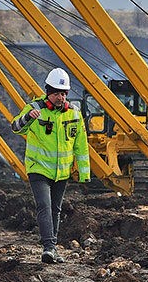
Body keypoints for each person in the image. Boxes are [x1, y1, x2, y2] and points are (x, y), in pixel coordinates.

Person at [11, 67, 90, 264]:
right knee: (44, 206)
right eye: (56, 93)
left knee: (56, 208)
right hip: (38, 169)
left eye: (63, 93)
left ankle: (52, 249)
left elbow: (81, 145)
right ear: (48, 91)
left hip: (61, 172)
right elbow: (15, 127)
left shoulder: (74, 114)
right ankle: (48, 247)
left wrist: (84, 173)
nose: (60, 97)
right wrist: (28, 117)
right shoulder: (35, 108)